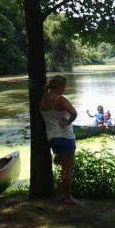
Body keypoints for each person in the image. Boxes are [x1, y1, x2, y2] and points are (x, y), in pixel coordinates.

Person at [39, 75, 79, 205]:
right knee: (68, 168)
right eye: (64, 86)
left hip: (52, 138)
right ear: (59, 86)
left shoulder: (43, 100)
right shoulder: (60, 100)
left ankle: (64, 194)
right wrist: (68, 122)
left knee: (64, 167)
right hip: (65, 136)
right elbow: (74, 113)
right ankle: (68, 197)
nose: (65, 89)